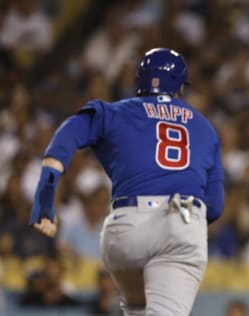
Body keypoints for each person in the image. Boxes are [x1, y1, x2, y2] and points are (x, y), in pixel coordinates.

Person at [28, 48, 225, 316]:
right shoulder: (205, 128)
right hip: (180, 221)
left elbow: (68, 134)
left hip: (124, 229)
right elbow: (214, 207)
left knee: (137, 310)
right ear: (180, 88)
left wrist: (46, 191)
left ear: (140, 82)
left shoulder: (115, 112)